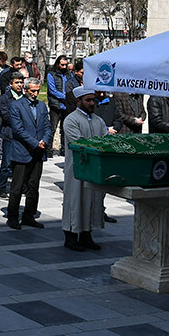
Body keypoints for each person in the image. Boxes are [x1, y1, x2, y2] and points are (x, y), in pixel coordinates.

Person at [60, 87, 111, 251]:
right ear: (78, 101)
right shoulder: (71, 120)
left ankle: (87, 235)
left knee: (92, 200)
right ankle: (70, 236)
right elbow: (79, 143)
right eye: (88, 100)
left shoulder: (98, 120)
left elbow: (106, 140)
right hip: (77, 168)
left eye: (93, 100)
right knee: (75, 200)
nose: (91, 103)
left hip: (93, 169)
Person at [6, 77, 51, 229]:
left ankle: (29, 215)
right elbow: (18, 130)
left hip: (38, 152)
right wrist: (34, 143)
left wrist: (44, 140)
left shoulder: (42, 106)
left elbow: (47, 126)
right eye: (32, 91)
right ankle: (12, 216)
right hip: (22, 152)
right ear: (25, 90)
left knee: (33, 186)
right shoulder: (16, 105)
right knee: (17, 187)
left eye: (38, 91)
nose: (35, 94)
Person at [0, 72, 25, 199]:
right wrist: (22, 120)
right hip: (9, 134)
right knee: (6, 163)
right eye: (17, 83)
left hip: (22, 135)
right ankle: (1, 187)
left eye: (21, 82)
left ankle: (20, 186)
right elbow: (6, 116)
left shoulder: (24, 97)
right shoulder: (5, 98)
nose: (19, 85)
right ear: (10, 84)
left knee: (21, 162)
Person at [46, 55, 71, 155]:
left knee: (65, 129)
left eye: (66, 65)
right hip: (56, 105)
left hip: (66, 106)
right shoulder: (51, 75)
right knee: (52, 128)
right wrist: (65, 96)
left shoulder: (69, 75)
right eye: (62, 65)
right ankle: (48, 149)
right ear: (57, 64)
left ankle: (64, 149)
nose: (64, 67)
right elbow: (52, 90)